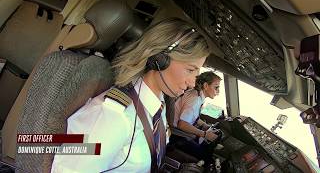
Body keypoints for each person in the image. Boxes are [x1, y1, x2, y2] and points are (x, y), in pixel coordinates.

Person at [51, 18, 210, 173]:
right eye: (190, 70)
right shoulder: (112, 117)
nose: (192, 83)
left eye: (197, 72)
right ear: (160, 59)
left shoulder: (159, 106)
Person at [170, 71, 222, 164]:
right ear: (206, 86)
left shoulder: (196, 94)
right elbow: (182, 124)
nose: (218, 91)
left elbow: (194, 117)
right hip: (176, 136)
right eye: (216, 87)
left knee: (205, 147)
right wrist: (204, 134)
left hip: (180, 132)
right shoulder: (195, 100)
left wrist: (205, 125)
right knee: (207, 157)